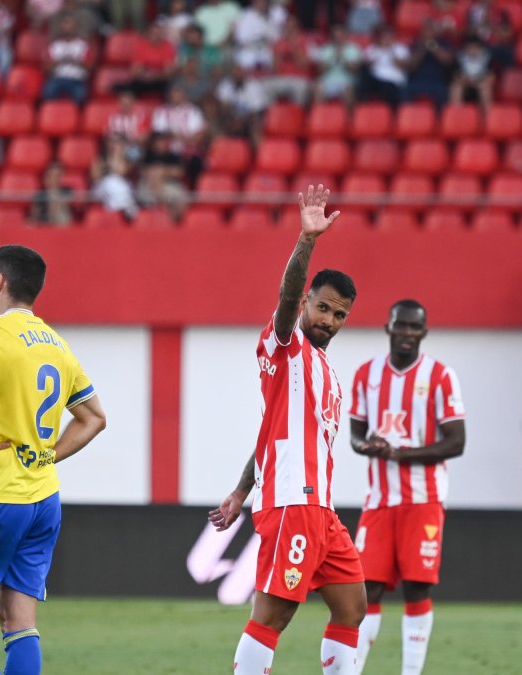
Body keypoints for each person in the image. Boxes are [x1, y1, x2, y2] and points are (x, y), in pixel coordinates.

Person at [208, 185, 366, 675]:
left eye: (340, 314)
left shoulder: (327, 371)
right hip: (292, 504)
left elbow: (271, 436)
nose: (329, 320)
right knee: (273, 616)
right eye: (323, 307)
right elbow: (285, 296)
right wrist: (307, 240)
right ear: (305, 304)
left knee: (352, 606)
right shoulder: (287, 345)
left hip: (321, 510)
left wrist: (240, 491)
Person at [0, 245, 107, 675]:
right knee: (18, 619)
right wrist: (47, 455)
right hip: (43, 500)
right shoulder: (57, 345)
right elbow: (94, 418)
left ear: (0, 281)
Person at [348, 300, 467, 675]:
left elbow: (456, 442)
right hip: (379, 501)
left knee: (416, 588)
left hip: (423, 499)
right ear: (388, 327)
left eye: (415, 327)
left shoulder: (440, 376)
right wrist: (368, 446)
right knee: (366, 591)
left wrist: (399, 454)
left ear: (424, 332)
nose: (407, 333)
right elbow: (354, 435)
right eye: (401, 325)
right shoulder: (366, 375)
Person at [42, 13, 92, 103]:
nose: (68, 27)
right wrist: (60, 61)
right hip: (58, 78)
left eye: (70, 24)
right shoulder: (55, 45)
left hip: (77, 80)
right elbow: (47, 67)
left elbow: (90, 67)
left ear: (76, 27)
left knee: (81, 95)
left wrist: (76, 61)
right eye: (65, 24)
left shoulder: (83, 45)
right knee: (48, 92)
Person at [358, 26, 410, 109]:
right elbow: (366, 65)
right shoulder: (373, 48)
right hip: (375, 80)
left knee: (388, 88)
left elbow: (402, 65)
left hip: (392, 81)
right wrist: (377, 52)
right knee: (364, 77)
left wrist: (391, 50)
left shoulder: (400, 49)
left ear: (393, 37)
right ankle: (361, 107)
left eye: (389, 36)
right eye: (384, 36)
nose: (386, 39)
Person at [312, 25, 362, 104]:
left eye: (340, 37)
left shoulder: (353, 49)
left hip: (346, 81)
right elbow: (319, 70)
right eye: (335, 37)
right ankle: (319, 112)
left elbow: (354, 70)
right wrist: (332, 58)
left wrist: (342, 58)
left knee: (348, 91)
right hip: (327, 81)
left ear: (345, 36)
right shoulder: (326, 49)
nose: (338, 39)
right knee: (318, 88)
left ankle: (349, 112)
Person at [450, 37, 494, 109]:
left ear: (480, 49)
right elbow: (455, 75)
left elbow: (491, 76)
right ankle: (456, 112)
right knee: (456, 88)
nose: (472, 50)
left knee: (485, 88)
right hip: (465, 82)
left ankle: (487, 114)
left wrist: (480, 80)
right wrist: (464, 79)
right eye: (470, 48)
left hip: (480, 82)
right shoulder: (460, 58)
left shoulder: (487, 58)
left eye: (475, 48)